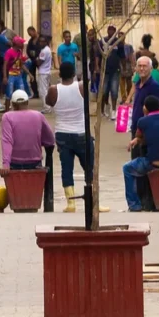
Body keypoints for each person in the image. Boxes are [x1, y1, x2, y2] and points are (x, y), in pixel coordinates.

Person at [46, 62, 97, 212]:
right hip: (81, 132)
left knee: (66, 169)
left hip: (63, 133)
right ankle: (95, 201)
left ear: (59, 74)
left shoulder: (54, 90)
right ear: (74, 73)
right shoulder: (81, 87)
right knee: (90, 168)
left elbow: (49, 102)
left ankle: (71, 203)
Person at [124, 95, 159, 212]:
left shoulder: (142, 121)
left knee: (127, 168)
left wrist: (136, 139)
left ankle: (134, 205)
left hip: (153, 162)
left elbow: (139, 136)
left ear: (145, 108)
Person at [0, 89, 55, 170]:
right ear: (27, 102)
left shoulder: (7, 117)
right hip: (35, 161)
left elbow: (7, 140)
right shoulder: (38, 115)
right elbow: (50, 139)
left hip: (14, 162)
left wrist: (6, 164)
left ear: (13, 104)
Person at [101, 32, 125, 120]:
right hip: (104, 71)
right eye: (109, 29)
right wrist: (97, 68)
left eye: (112, 30)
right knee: (104, 92)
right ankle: (107, 105)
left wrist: (124, 68)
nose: (110, 31)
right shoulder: (102, 41)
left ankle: (114, 110)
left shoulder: (119, 42)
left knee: (114, 91)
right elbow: (98, 56)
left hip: (115, 71)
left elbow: (123, 57)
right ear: (107, 31)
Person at [3, 36, 29, 109]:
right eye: (21, 43)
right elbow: (5, 65)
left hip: (18, 75)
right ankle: (7, 110)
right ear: (17, 43)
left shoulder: (19, 52)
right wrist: (5, 77)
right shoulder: (9, 52)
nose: (23, 44)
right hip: (10, 75)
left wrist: (29, 73)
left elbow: (21, 64)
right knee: (9, 93)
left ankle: (21, 109)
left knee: (22, 92)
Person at [35, 42, 53, 114]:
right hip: (47, 72)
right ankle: (48, 106)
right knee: (46, 90)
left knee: (42, 91)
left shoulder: (43, 51)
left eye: (42, 41)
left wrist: (36, 59)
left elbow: (39, 62)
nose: (40, 43)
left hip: (43, 72)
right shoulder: (48, 49)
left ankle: (47, 108)